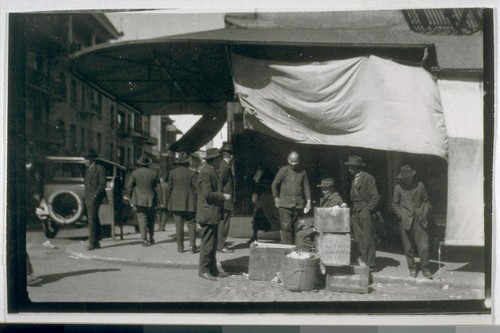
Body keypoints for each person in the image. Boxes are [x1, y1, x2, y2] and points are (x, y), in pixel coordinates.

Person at [391, 165, 433, 279]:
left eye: (410, 177)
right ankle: (412, 269)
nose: (409, 179)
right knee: (408, 247)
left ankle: (426, 269)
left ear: (413, 176)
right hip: (405, 221)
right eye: (406, 178)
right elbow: (394, 204)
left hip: (420, 220)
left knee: (423, 247)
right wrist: (401, 215)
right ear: (402, 179)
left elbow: (426, 202)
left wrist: (424, 213)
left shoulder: (420, 186)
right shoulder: (398, 188)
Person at [196, 148, 231, 281]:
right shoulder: (206, 172)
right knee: (207, 244)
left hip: (212, 213)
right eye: (219, 159)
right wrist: (223, 196)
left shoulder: (211, 171)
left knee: (213, 243)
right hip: (208, 213)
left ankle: (212, 269)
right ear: (214, 160)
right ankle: (203, 270)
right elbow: (207, 194)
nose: (221, 161)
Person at [345, 155, 380, 272]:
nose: (348, 169)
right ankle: (364, 262)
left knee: (368, 238)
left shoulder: (369, 178)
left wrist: (368, 210)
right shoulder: (354, 179)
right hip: (356, 211)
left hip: (365, 211)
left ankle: (372, 264)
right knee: (359, 238)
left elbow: (375, 197)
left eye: (350, 167)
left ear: (356, 167)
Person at [271, 151, 312, 245]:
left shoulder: (303, 172)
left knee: (298, 227)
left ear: (299, 161)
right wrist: (276, 198)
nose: (293, 164)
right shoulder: (284, 170)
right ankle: (287, 249)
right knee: (286, 228)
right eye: (291, 161)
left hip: (298, 205)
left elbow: (306, 187)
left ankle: (297, 248)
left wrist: (308, 202)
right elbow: (274, 184)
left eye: (296, 161)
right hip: (285, 205)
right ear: (288, 160)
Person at [127, 154, 161, 247]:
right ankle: (151, 237)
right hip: (151, 198)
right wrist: (159, 199)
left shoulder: (135, 173)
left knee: (142, 219)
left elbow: (129, 187)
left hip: (139, 199)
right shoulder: (154, 173)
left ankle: (144, 239)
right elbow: (158, 187)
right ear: (148, 164)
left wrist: (130, 197)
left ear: (140, 164)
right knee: (151, 219)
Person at [168, 152, 198, 253]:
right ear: (187, 163)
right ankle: (192, 246)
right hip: (189, 202)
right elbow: (196, 188)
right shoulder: (193, 173)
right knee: (191, 224)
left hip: (176, 203)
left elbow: (170, 188)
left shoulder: (172, 173)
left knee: (178, 226)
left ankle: (180, 247)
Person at [248, 166, 281, 244]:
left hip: (265, 199)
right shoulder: (270, 176)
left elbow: (257, 189)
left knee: (259, 217)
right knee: (271, 217)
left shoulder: (264, 177)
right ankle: (254, 236)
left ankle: (254, 237)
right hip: (266, 199)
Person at [83, 149, 108, 251]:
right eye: (85, 159)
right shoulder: (88, 170)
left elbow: (102, 184)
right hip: (88, 198)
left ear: (92, 159)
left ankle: (92, 243)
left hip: (95, 198)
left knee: (92, 220)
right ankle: (97, 241)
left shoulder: (99, 168)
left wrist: (95, 195)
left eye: (86, 159)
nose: (85, 161)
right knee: (94, 219)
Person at [216, 142, 235, 253]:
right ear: (231, 156)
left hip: (224, 199)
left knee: (223, 223)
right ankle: (221, 245)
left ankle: (221, 244)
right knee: (224, 223)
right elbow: (220, 183)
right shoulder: (225, 166)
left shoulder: (223, 165)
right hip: (225, 200)